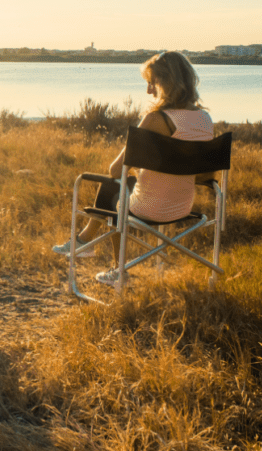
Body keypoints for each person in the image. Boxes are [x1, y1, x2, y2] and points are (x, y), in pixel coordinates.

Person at [52, 51, 214, 286]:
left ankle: (114, 267)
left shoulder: (155, 119)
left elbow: (116, 169)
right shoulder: (205, 119)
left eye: (152, 82)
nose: (149, 90)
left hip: (149, 208)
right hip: (183, 207)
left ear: (167, 83)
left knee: (113, 185)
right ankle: (83, 241)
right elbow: (203, 174)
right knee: (121, 186)